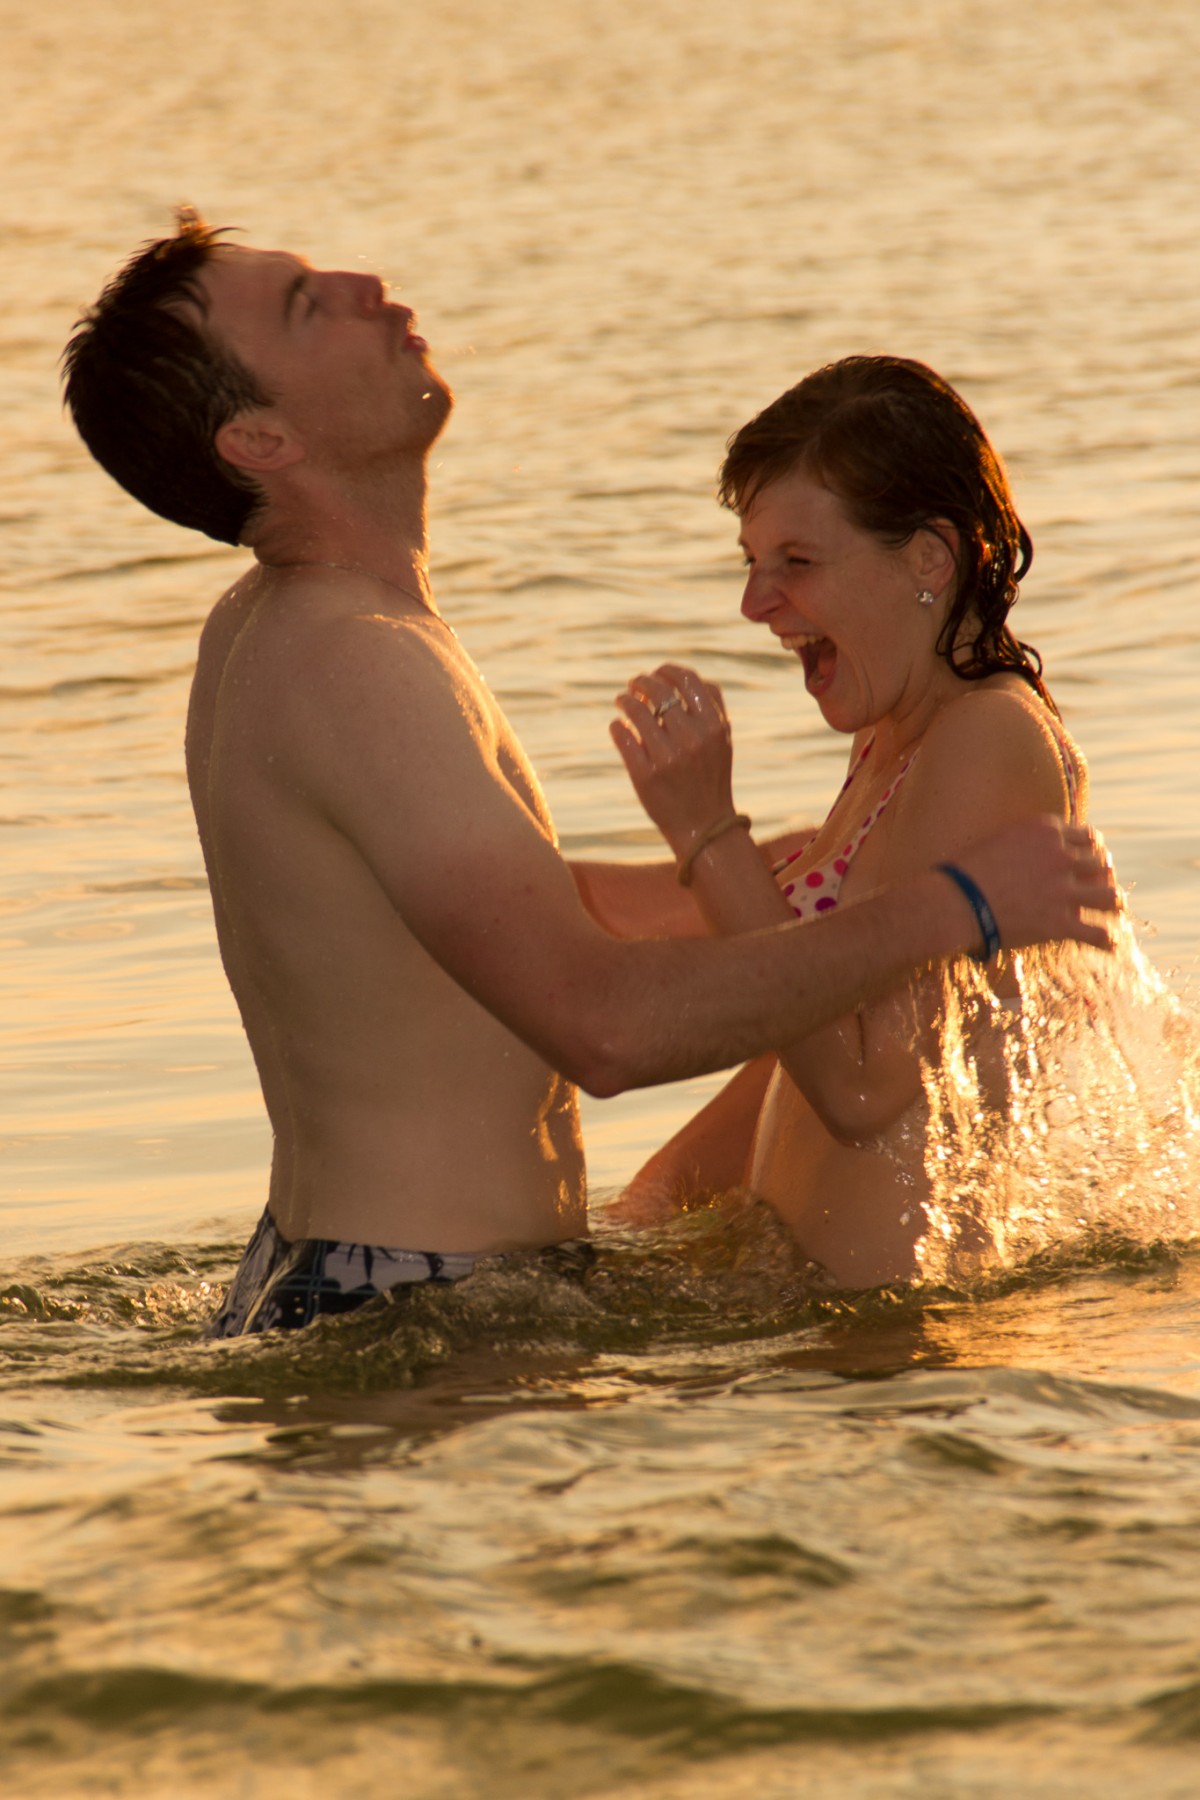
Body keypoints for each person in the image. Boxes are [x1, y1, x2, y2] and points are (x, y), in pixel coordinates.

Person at [60, 217, 1117, 1334]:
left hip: (333, 1275)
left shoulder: (271, 630)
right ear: (259, 439)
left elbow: (485, 923)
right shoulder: (357, 660)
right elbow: (605, 1028)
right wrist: (953, 906)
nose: (364, 281)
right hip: (423, 1307)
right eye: (305, 304)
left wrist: (734, 880)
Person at [603, 355, 1096, 1287]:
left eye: (796, 562)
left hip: (895, 1342)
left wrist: (709, 831)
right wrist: (654, 1200)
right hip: (818, 1319)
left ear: (929, 558)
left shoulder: (988, 739)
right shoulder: (894, 738)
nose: (755, 603)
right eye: (751, 563)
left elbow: (863, 1084)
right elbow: (800, 1033)